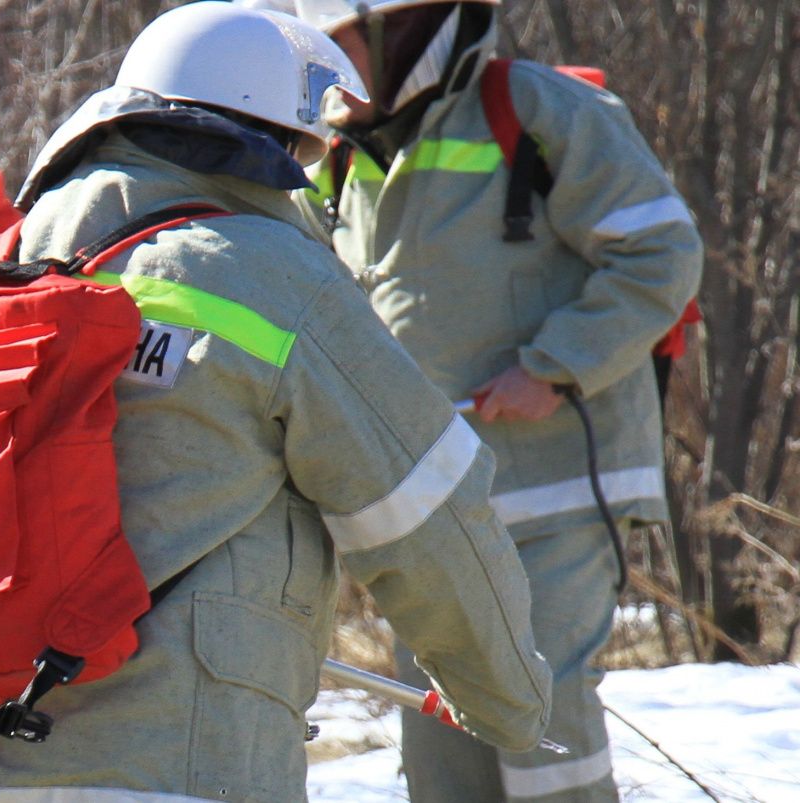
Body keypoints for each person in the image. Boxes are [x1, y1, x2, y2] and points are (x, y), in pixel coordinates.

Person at [0, 3, 552, 800]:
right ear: (280, 146)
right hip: (178, 768)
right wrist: (512, 701)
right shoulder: (267, 273)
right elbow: (429, 513)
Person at [290, 1, 705, 800]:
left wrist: (554, 368)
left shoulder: (545, 111)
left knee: (538, 714)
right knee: (443, 724)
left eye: (334, 43)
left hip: (552, 490)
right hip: (426, 507)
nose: (323, 66)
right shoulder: (337, 157)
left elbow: (661, 252)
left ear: (397, 31)